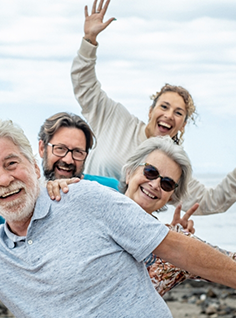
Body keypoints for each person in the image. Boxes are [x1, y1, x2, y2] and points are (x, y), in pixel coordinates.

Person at [0, 118, 236, 318]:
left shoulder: (86, 195)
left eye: (12, 164)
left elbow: (177, 248)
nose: (3, 179)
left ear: (33, 164)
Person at [71, 0, 236, 215]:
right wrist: (89, 40)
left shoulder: (172, 165)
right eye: (164, 106)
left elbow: (212, 201)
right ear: (151, 111)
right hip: (80, 211)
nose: (169, 115)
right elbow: (85, 85)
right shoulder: (115, 118)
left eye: (178, 113)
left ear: (183, 125)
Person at [48, 136, 236, 297]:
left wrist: (179, 239)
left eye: (167, 183)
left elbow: (227, 262)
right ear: (129, 173)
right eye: (150, 172)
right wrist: (55, 189)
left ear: (171, 196)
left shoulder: (171, 248)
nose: (155, 184)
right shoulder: (89, 203)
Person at [0, 97, 117, 235]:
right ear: (41, 148)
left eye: (77, 152)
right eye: (60, 149)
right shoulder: (16, 199)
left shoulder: (108, 189)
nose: (68, 160)